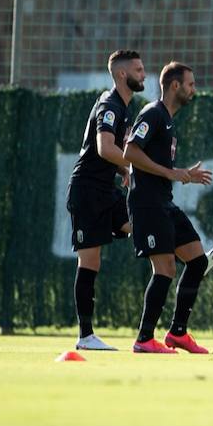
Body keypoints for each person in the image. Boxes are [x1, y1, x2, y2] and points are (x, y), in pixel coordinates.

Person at [123, 62, 213, 354]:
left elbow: (161, 166)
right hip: (147, 204)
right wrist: (170, 173)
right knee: (164, 269)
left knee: (197, 260)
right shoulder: (153, 113)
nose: (195, 89)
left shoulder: (168, 120)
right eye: (191, 84)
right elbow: (130, 152)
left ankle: (178, 333)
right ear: (175, 86)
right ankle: (143, 339)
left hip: (164, 203)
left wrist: (183, 174)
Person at [65, 49, 143, 351]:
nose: (144, 74)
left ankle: (190, 262)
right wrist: (133, 166)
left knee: (141, 226)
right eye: (138, 70)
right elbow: (103, 147)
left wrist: (122, 169)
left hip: (106, 190)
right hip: (87, 191)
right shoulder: (111, 105)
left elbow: (113, 155)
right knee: (90, 260)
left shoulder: (122, 106)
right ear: (122, 75)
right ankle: (85, 336)